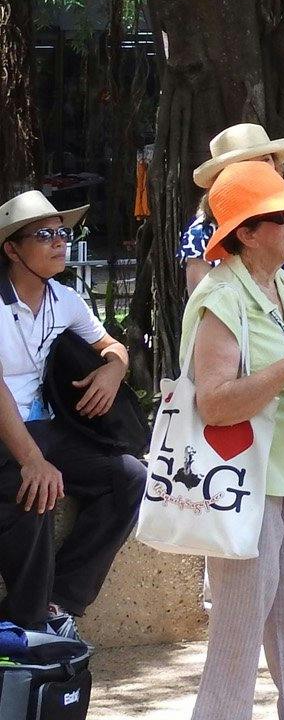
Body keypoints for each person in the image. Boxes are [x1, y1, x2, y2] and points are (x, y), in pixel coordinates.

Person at [183, 158, 284, 720]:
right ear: (246, 234)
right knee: (239, 625)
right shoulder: (222, 297)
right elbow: (214, 402)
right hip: (242, 479)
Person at [0, 189, 144, 637]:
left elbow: (112, 345)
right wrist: (32, 460)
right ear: (12, 250)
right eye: (44, 235)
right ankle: (26, 620)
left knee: (129, 478)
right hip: (6, 431)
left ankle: (60, 599)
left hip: (44, 427)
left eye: (63, 233)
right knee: (32, 490)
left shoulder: (65, 299)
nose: (59, 242)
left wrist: (114, 370)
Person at [183, 124, 284, 343]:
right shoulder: (201, 232)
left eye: (265, 160)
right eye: (246, 163)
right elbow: (203, 309)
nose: (259, 169)